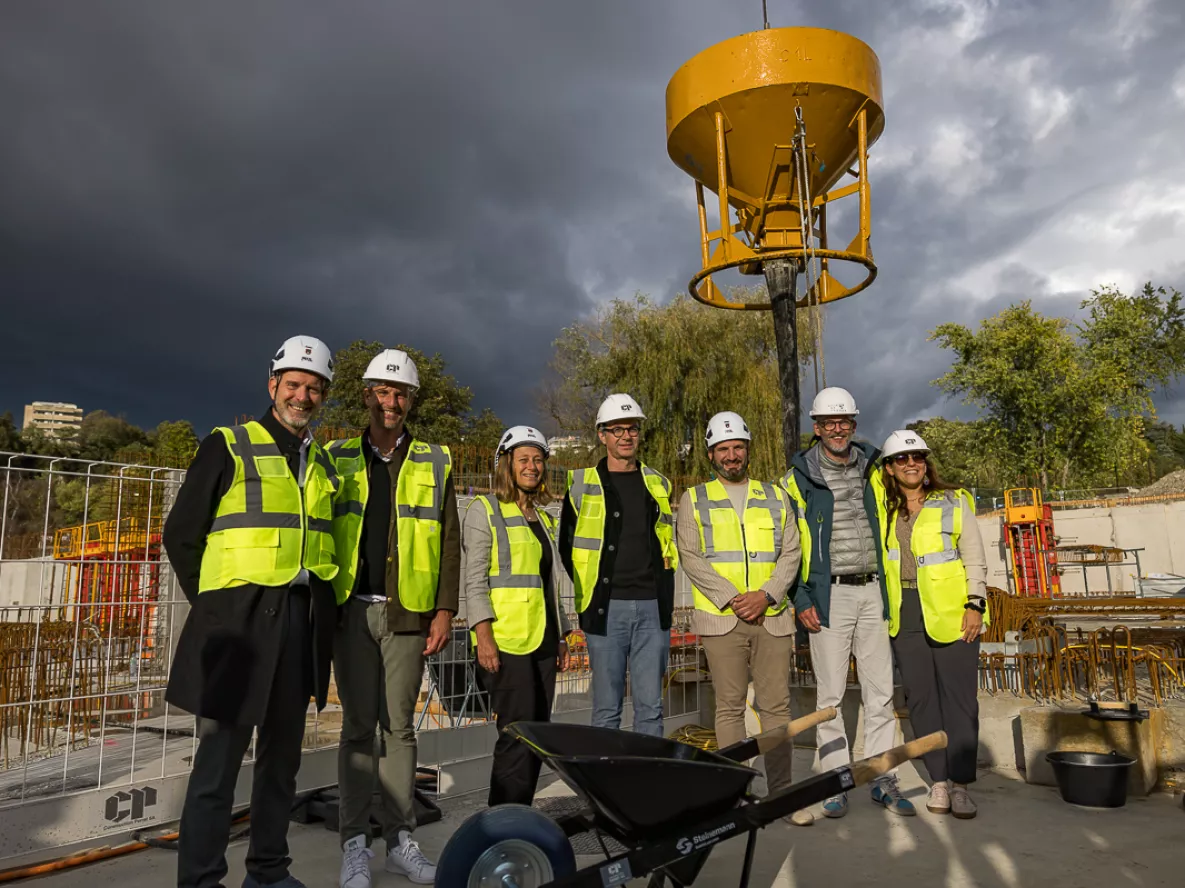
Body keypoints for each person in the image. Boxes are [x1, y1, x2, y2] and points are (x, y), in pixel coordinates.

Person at [163, 335, 340, 888]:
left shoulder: (322, 462)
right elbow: (181, 535)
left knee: (280, 764)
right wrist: (216, 606)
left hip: (297, 619)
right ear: (272, 385)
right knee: (217, 767)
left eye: (314, 388)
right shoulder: (228, 444)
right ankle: (200, 880)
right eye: (294, 384)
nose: (303, 396)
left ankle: (268, 873)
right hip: (236, 625)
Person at [327, 349, 459, 887]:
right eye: (383, 391)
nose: (391, 401)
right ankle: (354, 843)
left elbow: (449, 541)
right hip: (351, 612)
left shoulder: (434, 459)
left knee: (400, 730)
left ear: (411, 401)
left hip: (407, 614)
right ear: (366, 395)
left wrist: (444, 609)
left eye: (400, 392)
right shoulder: (336, 456)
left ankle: (400, 840)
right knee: (358, 729)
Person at [778, 386, 915, 819]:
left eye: (844, 422)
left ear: (854, 425)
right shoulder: (796, 478)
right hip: (828, 595)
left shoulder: (876, 468)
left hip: (874, 590)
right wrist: (801, 596)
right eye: (828, 423)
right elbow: (789, 545)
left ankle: (881, 777)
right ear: (816, 429)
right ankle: (836, 780)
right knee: (830, 697)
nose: (837, 429)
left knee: (879, 691)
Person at [675, 412, 813, 827]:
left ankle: (783, 793)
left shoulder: (774, 496)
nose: (731, 455)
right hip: (723, 618)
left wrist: (767, 595)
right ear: (711, 453)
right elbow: (690, 555)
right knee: (730, 708)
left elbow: (792, 551)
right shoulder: (693, 499)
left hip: (770, 617)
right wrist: (733, 598)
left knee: (776, 707)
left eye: (738, 447)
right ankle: (732, 796)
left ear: (747, 450)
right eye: (723, 449)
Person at [877, 430, 989, 819]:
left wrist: (975, 605)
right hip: (905, 611)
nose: (912, 464)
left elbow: (974, 557)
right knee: (921, 699)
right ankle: (938, 780)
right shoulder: (885, 510)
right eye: (902, 459)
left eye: (918, 457)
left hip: (952, 608)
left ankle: (960, 786)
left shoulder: (954, 502)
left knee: (959, 701)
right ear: (890, 468)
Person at [462, 426, 572, 806]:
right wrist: (484, 636)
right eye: (524, 459)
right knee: (516, 734)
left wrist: (560, 634)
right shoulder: (486, 510)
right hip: (506, 642)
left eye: (539, 459)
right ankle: (504, 819)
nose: (533, 466)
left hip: (541, 639)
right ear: (506, 464)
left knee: (537, 731)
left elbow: (549, 582)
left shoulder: (541, 517)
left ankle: (520, 811)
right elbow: (473, 580)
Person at [558, 393, 677, 738]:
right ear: (602, 434)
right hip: (606, 610)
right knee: (607, 710)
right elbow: (568, 548)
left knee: (651, 710)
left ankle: (646, 787)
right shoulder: (580, 484)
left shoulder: (658, 483)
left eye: (633, 429)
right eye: (617, 429)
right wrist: (593, 588)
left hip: (654, 609)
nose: (626, 436)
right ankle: (606, 789)